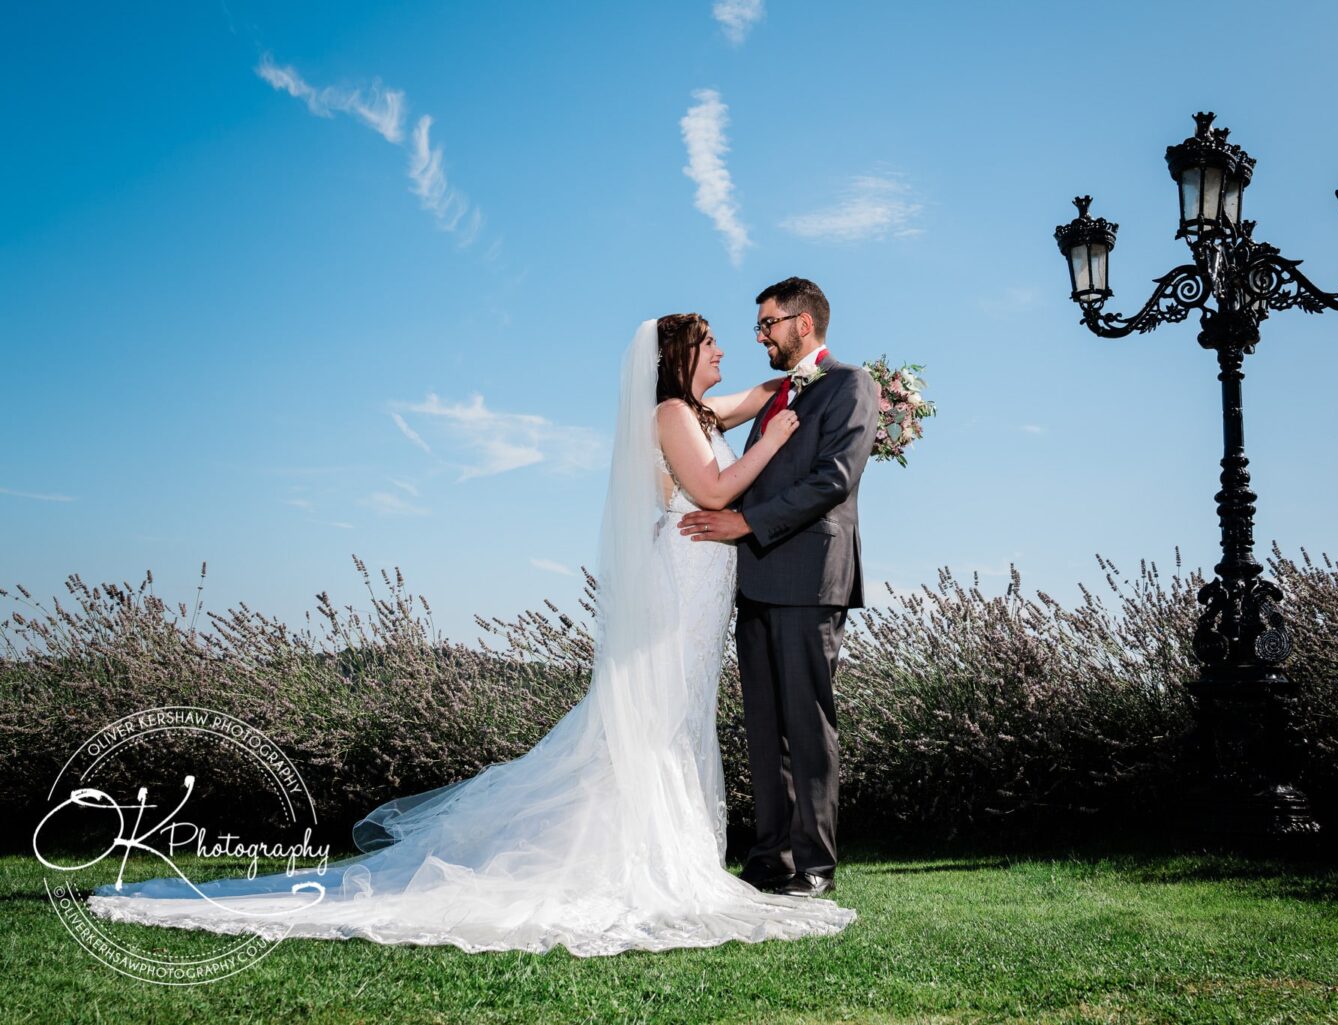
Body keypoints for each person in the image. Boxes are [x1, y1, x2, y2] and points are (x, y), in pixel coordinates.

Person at [85, 315, 857, 956]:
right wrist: (772, 436)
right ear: (678, 357)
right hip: (682, 582)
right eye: (713, 341)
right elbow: (717, 487)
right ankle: (637, 855)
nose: (726, 348)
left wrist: (828, 383)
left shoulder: (697, 412)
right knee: (656, 721)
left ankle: (681, 850)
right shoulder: (667, 415)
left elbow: (767, 393)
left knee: (679, 720)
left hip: (700, 584)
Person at [678, 278, 879, 899]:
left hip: (810, 579)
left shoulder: (851, 384)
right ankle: (768, 859)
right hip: (757, 578)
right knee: (765, 729)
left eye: (768, 324)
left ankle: (814, 866)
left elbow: (834, 479)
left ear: (803, 323)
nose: (760, 334)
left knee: (807, 725)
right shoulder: (777, 397)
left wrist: (743, 522)